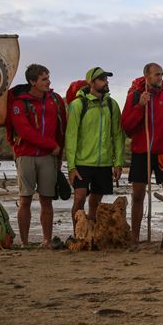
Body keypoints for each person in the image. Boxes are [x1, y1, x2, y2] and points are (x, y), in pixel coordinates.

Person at [121, 63, 163, 245]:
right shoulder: (134, 95)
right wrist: (140, 105)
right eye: (157, 75)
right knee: (138, 195)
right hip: (141, 152)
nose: (160, 78)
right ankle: (134, 237)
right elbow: (127, 127)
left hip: (162, 152)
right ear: (147, 76)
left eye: (162, 74)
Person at [8, 64, 67, 247]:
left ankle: (47, 240)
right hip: (25, 155)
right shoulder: (19, 102)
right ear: (32, 81)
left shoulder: (55, 100)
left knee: (46, 200)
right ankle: (24, 242)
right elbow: (25, 132)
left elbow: (61, 128)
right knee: (25, 199)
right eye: (44, 79)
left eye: (48, 78)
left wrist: (59, 155)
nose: (48, 82)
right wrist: (52, 145)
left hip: (49, 157)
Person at [64, 67, 125, 234]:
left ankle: (92, 234)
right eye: (102, 79)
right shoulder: (78, 105)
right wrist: (71, 167)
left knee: (96, 202)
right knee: (79, 198)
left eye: (106, 79)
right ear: (91, 83)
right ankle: (78, 233)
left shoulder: (112, 105)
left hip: (104, 162)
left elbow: (118, 135)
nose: (106, 82)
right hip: (82, 162)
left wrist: (118, 163)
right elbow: (71, 137)